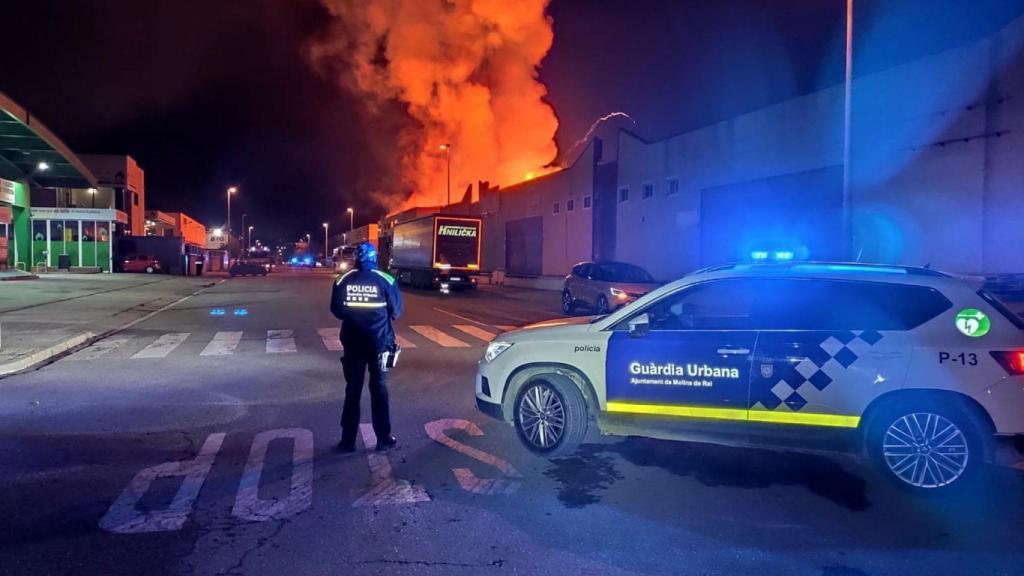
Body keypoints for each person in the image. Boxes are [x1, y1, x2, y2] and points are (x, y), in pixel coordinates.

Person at [330, 242, 403, 452]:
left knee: (352, 389)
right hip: (379, 343)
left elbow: (336, 310)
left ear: (357, 258)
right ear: (374, 257)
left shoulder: (343, 279)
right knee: (379, 388)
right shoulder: (386, 280)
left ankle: (348, 440)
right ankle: (383, 438)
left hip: (353, 342)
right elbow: (396, 312)